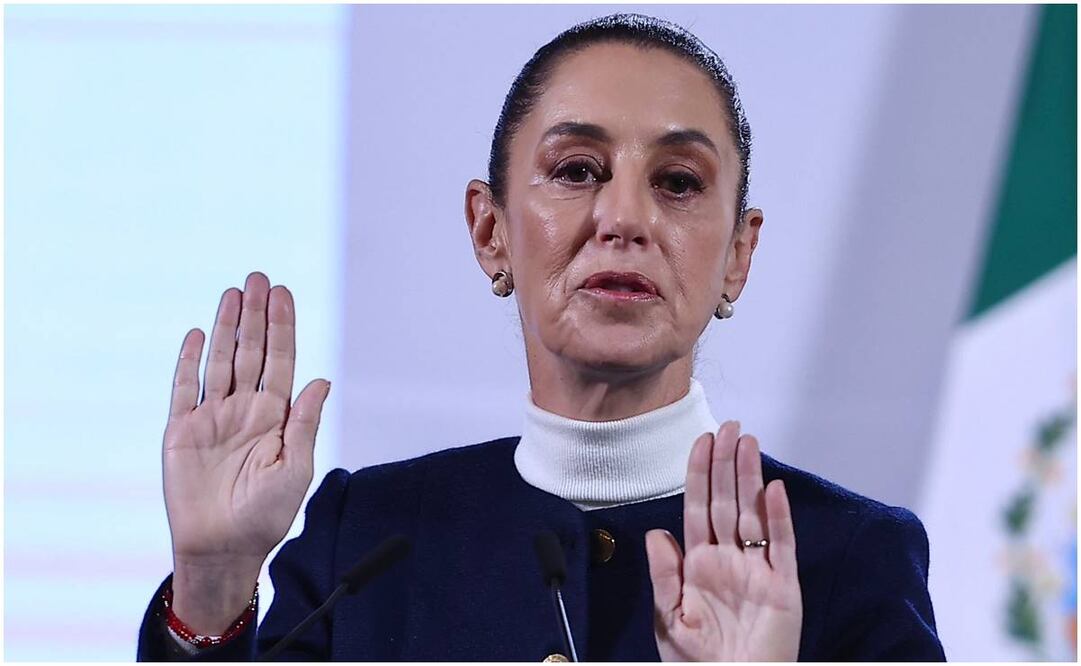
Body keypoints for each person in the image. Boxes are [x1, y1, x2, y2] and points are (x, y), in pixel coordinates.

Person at [136, 13, 946, 661]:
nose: (624, 219)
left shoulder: (843, 556)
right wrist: (211, 586)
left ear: (737, 254)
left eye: (676, 183)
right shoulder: (369, 535)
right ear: (490, 232)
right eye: (576, 171)